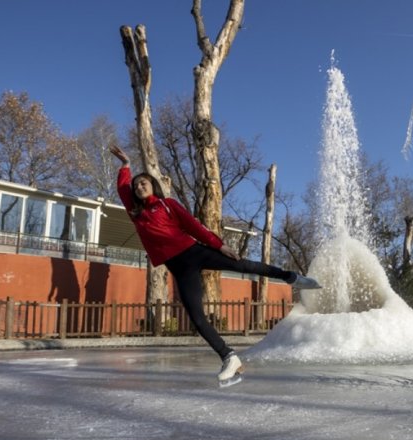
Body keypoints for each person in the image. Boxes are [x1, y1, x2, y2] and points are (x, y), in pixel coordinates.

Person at [109, 146, 320, 387]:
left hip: (195, 251)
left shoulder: (168, 204)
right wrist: (125, 166)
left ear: (153, 185)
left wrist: (219, 246)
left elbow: (194, 227)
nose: (139, 187)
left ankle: (291, 277)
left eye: (143, 183)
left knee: (245, 266)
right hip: (179, 267)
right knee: (197, 318)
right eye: (136, 186)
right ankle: (230, 358)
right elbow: (123, 190)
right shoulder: (136, 212)